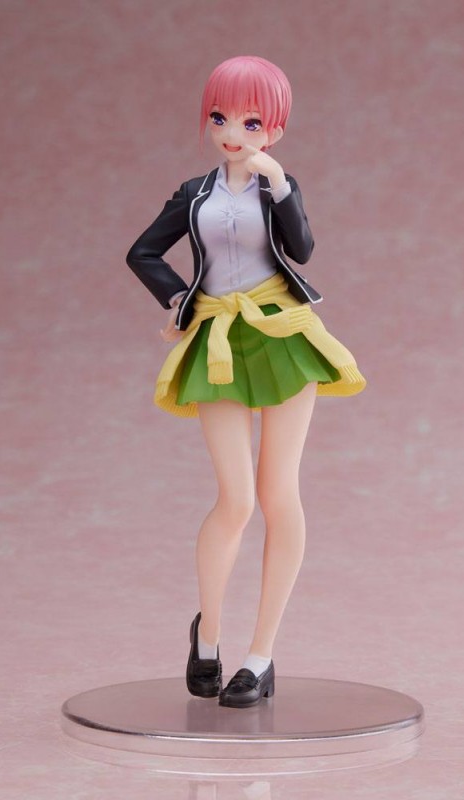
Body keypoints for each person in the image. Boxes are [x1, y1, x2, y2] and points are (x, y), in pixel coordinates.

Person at [127, 56, 365, 708]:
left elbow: (303, 249)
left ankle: (261, 655)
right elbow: (143, 252)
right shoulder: (194, 193)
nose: (233, 133)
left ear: (275, 130)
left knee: (278, 493)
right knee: (234, 500)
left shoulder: (275, 187)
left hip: (282, 334)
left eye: (251, 122)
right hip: (219, 341)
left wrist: (282, 186)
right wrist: (178, 302)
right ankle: (207, 632)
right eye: (221, 117)